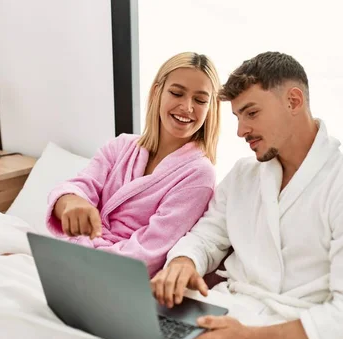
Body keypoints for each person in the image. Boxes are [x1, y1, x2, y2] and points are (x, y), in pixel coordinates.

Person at [151, 52, 343, 339]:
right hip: (223, 316)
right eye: (238, 118)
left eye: (251, 113)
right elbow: (206, 237)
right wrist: (183, 263)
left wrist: (247, 338)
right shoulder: (244, 175)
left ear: (294, 101)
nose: (241, 130)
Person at [46, 52, 221, 277]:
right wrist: (71, 201)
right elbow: (78, 186)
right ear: (157, 91)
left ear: (211, 108)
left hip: (116, 274)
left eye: (200, 100)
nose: (187, 107)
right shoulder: (121, 146)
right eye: (177, 93)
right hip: (75, 255)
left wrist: (84, 257)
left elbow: (149, 250)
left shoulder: (199, 175)